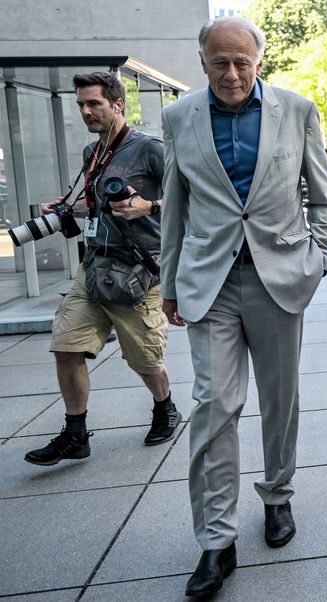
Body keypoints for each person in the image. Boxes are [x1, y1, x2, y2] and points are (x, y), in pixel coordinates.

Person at [159, 16, 327, 597]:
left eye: (242, 62)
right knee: (214, 403)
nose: (231, 74)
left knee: (279, 398)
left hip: (279, 278)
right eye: (220, 62)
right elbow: (174, 209)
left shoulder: (297, 109)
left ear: (259, 61)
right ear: (203, 61)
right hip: (210, 282)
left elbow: (323, 195)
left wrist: (315, 256)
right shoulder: (177, 117)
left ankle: (278, 496)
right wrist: (168, 283)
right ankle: (216, 539)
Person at [24, 72, 179, 466]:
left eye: (93, 104)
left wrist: (149, 206)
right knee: (65, 347)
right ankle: (75, 434)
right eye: (81, 105)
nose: (86, 111)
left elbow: (188, 198)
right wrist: (68, 208)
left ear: (118, 105)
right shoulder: (90, 153)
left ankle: (165, 407)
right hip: (93, 268)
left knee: (145, 360)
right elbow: (99, 206)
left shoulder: (150, 150)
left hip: (139, 272)